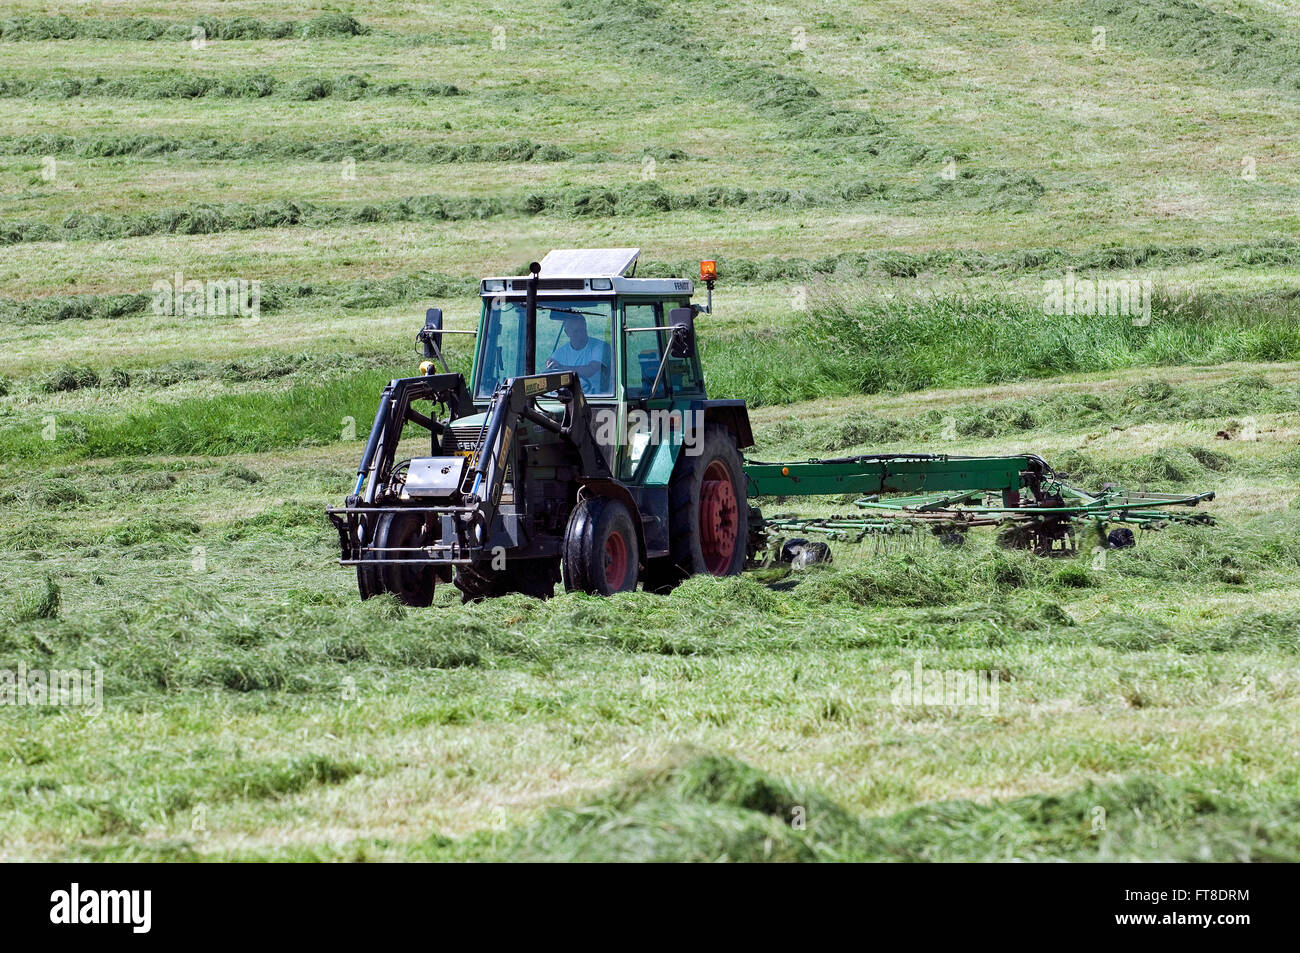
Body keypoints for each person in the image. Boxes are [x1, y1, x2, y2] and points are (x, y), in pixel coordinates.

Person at [545, 314, 610, 394]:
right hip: (568, 397)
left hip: (596, 398)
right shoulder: (559, 353)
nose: (580, 335)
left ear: (586, 328)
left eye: (582, 330)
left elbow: (591, 370)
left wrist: (562, 368)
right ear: (567, 333)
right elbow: (551, 378)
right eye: (576, 331)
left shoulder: (600, 346)